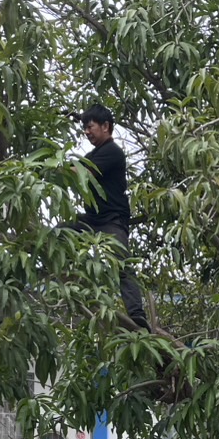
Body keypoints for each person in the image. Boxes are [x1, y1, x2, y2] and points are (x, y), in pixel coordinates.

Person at [70, 102, 149, 330]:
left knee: (122, 265)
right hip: (92, 220)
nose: (87, 132)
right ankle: (66, 278)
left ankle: (137, 316)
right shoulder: (93, 154)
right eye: (84, 128)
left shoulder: (112, 152)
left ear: (105, 126)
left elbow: (83, 172)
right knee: (59, 234)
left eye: (90, 127)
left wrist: (55, 170)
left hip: (113, 220)